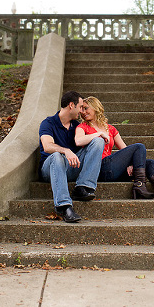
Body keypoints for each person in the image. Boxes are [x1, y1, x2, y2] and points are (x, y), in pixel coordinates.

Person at [75, 96, 154, 199]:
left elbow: (125, 150)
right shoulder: (82, 127)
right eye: (82, 109)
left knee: (150, 163)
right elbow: (78, 141)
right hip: (99, 168)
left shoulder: (110, 129)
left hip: (113, 170)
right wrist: (98, 134)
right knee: (139, 147)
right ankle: (139, 185)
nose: (83, 112)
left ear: (95, 108)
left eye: (86, 108)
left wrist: (131, 163)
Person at [38, 90, 105, 223]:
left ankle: (83, 187)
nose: (82, 111)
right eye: (80, 107)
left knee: (98, 140)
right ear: (71, 105)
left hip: (72, 167)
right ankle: (64, 207)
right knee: (57, 156)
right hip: (50, 169)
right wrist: (66, 151)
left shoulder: (77, 126)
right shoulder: (48, 123)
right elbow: (47, 146)